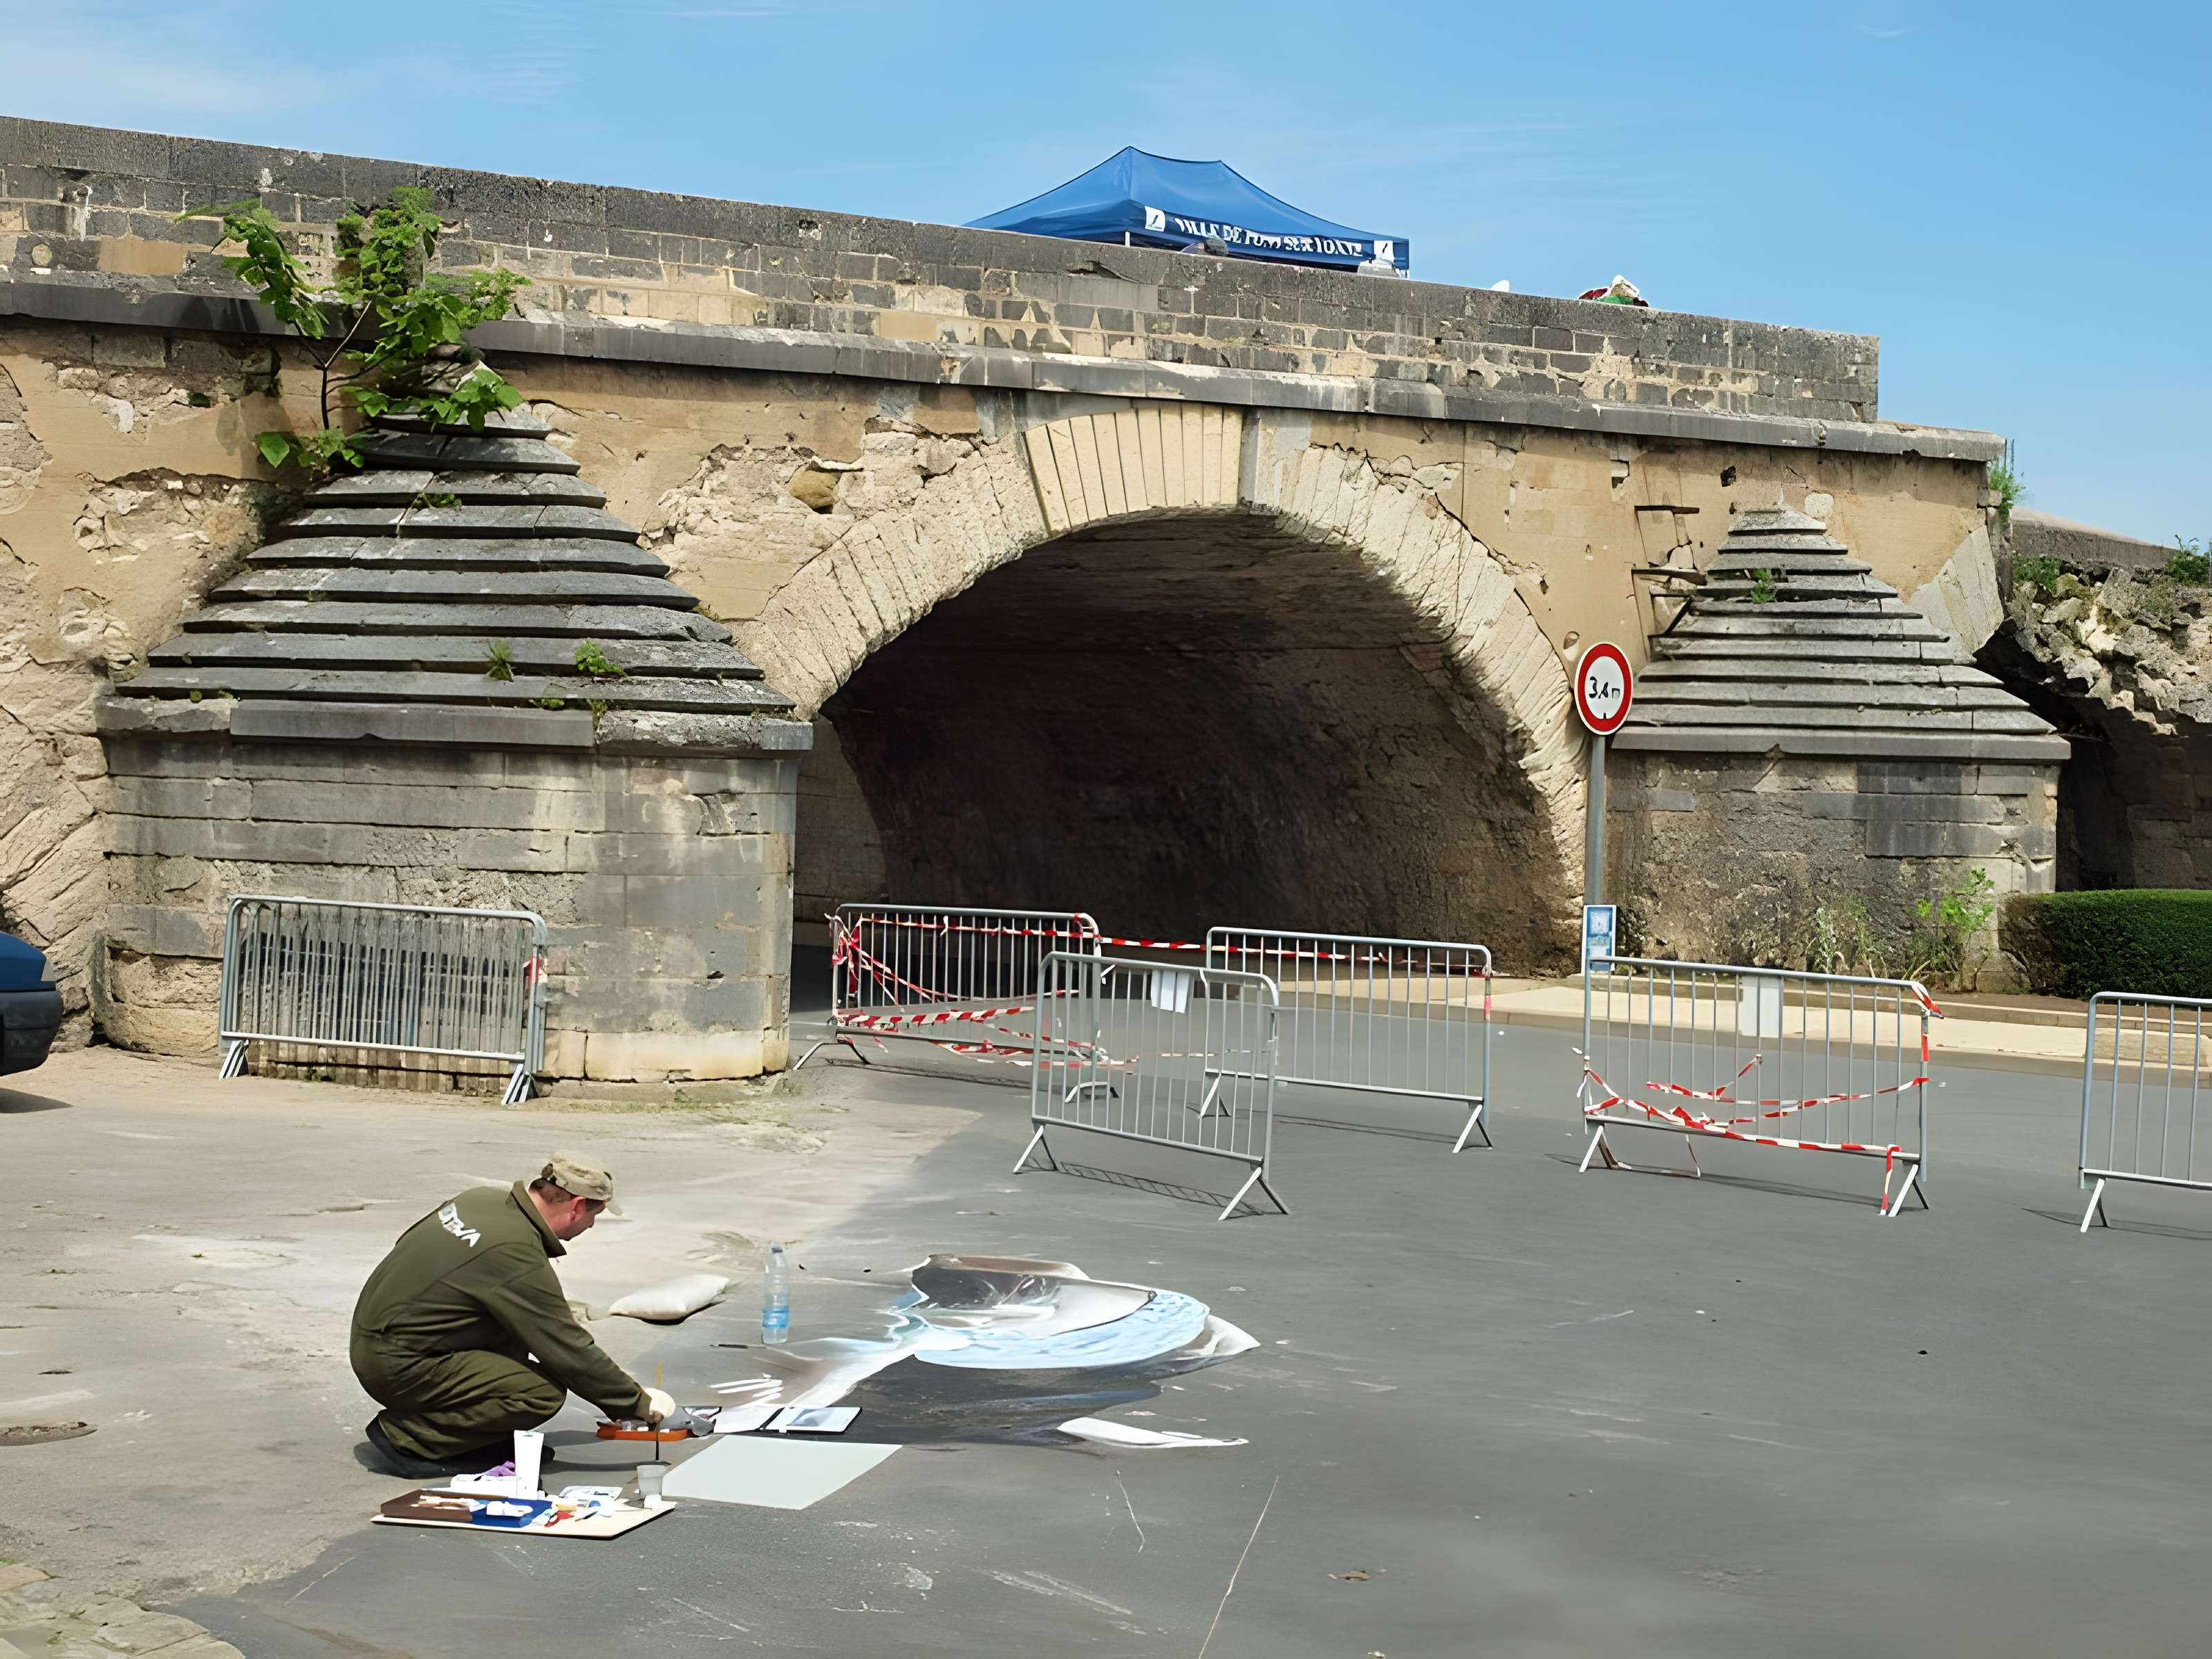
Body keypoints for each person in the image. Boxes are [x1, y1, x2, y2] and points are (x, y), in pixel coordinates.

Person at [350, 1153, 674, 1479]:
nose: (590, 1225)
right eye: (595, 1215)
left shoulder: (480, 1200)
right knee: (538, 1393)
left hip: (379, 1334)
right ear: (576, 1206)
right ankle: (412, 1437)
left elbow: (405, 1243)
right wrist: (637, 1405)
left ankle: (476, 1439)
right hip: (398, 1366)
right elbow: (567, 1347)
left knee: (511, 1325)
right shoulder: (513, 1252)